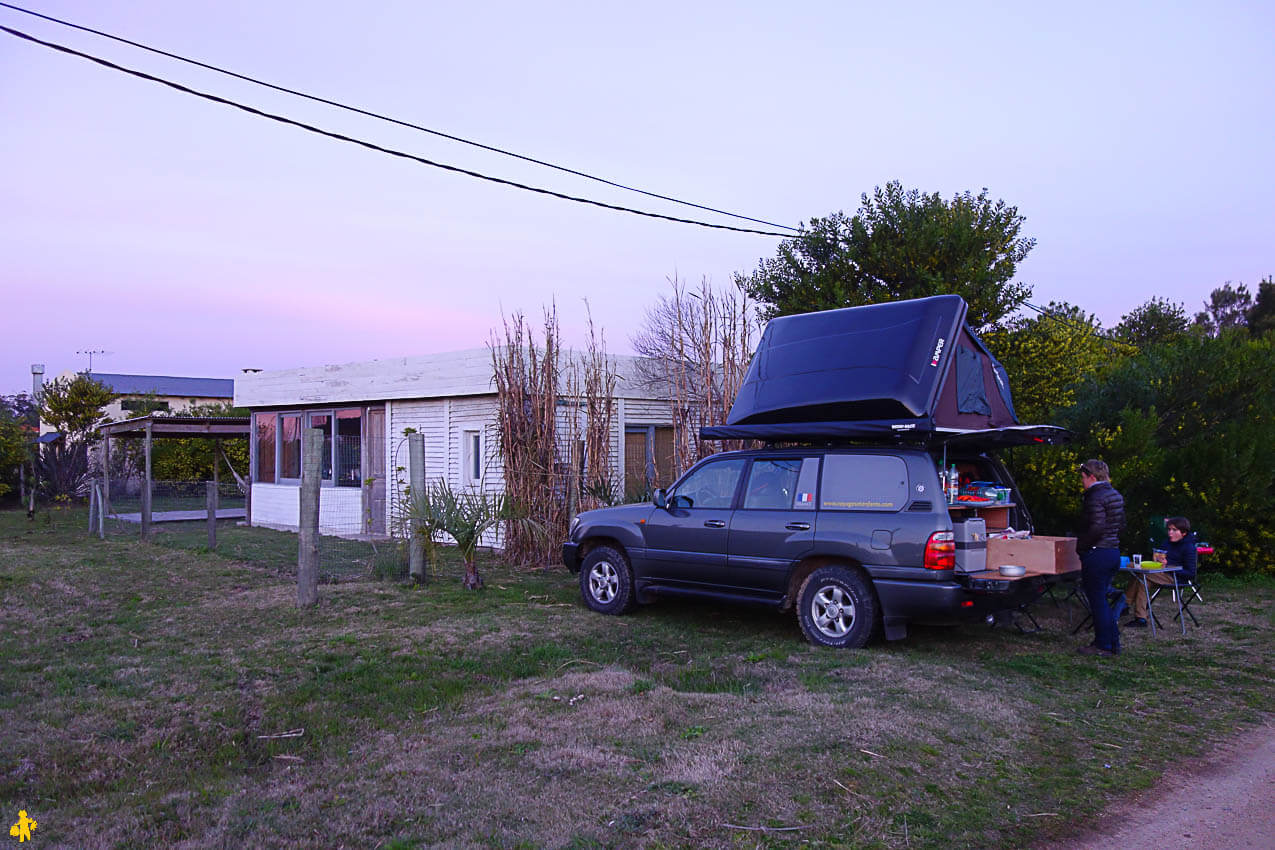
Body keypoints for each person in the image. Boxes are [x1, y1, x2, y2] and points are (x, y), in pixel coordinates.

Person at [1076, 459, 1125, 656]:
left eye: (1083, 478)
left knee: (1098, 602)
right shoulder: (1115, 494)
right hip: (1112, 552)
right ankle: (1112, 643)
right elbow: (1121, 525)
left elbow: (1096, 527)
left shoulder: (1094, 497)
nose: (1082, 482)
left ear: (1092, 477)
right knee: (1102, 600)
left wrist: (1082, 546)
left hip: (1098, 552)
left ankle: (1103, 645)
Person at [1124, 516, 1197, 627]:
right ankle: (1141, 619)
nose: (1170, 533)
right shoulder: (1166, 543)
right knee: (1137, 572)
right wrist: (1157, 560)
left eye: (1174, 530)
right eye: (1169, 530)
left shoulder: (1189, 548)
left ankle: (1124, 604)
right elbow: (1159, 559)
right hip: (1158, 573)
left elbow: (1191, 573)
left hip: (1175, 577)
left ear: (1184, 533)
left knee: (1142, 574)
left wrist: (1168, 567)